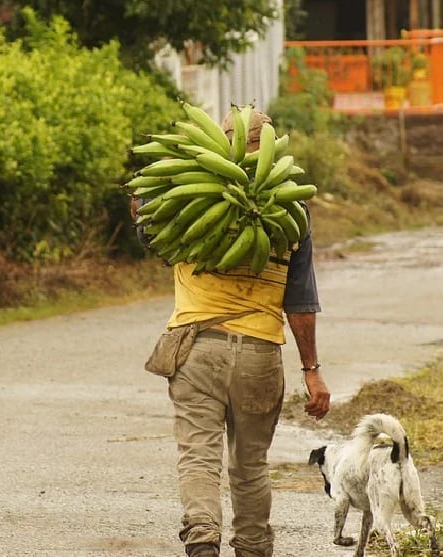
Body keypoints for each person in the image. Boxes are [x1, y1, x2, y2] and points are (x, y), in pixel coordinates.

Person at [132, 109, 331, 557]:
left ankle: (203, 536)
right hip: (260, 354)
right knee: (250, 465)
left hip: (196, 347)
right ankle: (254, 547)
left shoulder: (185, 196)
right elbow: (300, 301)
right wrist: (312, 370)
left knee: (199, 454)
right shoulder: (292, 212)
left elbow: (149, 232)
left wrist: (141, 199)